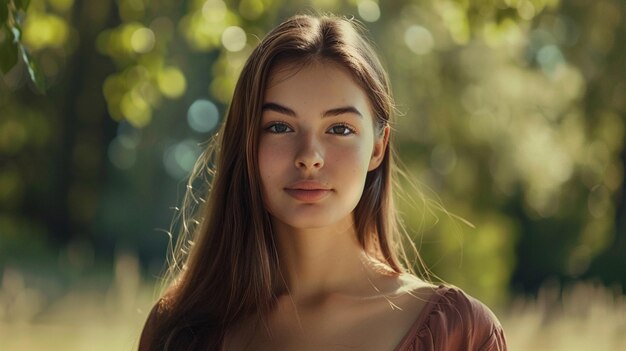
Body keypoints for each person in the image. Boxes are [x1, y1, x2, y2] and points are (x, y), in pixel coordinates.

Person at [138, 13, 507, 351]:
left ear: (378, 147)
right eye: (279, 127)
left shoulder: (461, 333)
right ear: (246, 144)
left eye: (340, 128)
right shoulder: (179, 330)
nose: (309, 155)